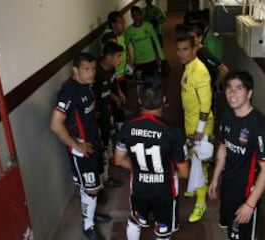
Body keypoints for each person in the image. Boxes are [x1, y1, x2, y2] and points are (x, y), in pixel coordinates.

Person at [114, 82, 189, 240]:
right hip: (164, 191)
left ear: (140, 101)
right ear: (164, 99)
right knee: (163, 230)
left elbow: (118, 159)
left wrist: (138, 168)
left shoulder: (128, 127)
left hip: (139, 188)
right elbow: (184, 172)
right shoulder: (173, 132)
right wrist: (164, 171)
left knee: (135, 221)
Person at [208, 71, 265, 240]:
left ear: (249, 93)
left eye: (239, 88)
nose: (232, 93)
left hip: (245, 193)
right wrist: (215, 178)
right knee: (230, 230)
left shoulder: (260, 126)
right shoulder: (227, 115)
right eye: (229, 87)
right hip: (228, 187)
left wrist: (250, 205)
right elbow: (222, 148)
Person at [50, 52, 107, 240]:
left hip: (93, 145)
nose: (91, 73)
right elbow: (55, 124)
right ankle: (88, 226)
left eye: (93, 69)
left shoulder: (87, 86)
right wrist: (77, 145)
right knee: (91, 188)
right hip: (82, 151)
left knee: (91, 186)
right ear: (75, 70)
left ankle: (89, 214)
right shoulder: (69, 91)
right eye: (85, 69)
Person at [176, 34, 214, 222]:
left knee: (201, 166)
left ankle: (201, 203)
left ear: (193, 50)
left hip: (201, 127)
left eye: (185, 49)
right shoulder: (188, 68)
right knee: (194, 158)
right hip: (190, 123)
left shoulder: (199, 71)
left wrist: (199, 131)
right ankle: (193, 187)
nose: (181, 54)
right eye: (178, 49)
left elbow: (206, 106)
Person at [93, 42, 124, 188]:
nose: (120, 60)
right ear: (108, 57)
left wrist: (117, 96)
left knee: (107, 147)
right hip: (97, 120)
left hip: (107, 114)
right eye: (118, 57)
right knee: (99, 152)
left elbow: (110, 85)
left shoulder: (111, 70)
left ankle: (106, 178)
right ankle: (98, 186)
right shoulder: (94, 74)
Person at [186, 24, 229, 118]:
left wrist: (214, 84)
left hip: (206, 91)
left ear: (200, 38)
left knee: (206, 114)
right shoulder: (192, 52)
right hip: (196, 90)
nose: (190, 40)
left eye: (193, 37)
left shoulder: (204, 54)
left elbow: (224, 70)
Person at [125, 5, 166, 90]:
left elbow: (156, 41)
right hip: (139, 61)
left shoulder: (148, 26)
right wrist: (128, 60)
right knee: (140, 84)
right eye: (134, 15)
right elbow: (125, 46)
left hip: (151, 59)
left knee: (154, 82)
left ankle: (157, 101)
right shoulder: (129, 30)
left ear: (141, 15)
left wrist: (162, 57)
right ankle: (141, 101)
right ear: (132, 17)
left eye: (138, 14)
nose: (136, 17)